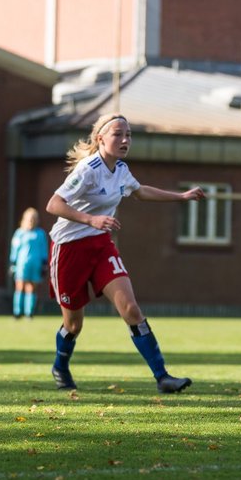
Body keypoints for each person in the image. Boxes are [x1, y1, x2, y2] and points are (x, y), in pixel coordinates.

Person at [46, 112, 204, 393]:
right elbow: (54, 204)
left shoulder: (120, 169)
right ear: (101, 138)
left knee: (131, 309)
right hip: (69, 250)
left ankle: (162, 377)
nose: (124, 139)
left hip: (101, 246)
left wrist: (180, 197)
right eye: (118, 134)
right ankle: (60, 366)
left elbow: (140, 191)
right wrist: (91, 219)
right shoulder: (88, 169)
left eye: (128, 134)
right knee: (73, 325)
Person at [9, 207, 50, 319]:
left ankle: (29, 312)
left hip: (35, 264)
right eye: (29, 219)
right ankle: (17, 312)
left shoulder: (40, 233)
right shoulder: (20, 233)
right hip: (22, 264)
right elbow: (15, 248)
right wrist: (13, 263)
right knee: (19, 285)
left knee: (31, 287)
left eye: (33, 219)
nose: (31, 221)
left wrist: (44, 264)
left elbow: (43, 249)